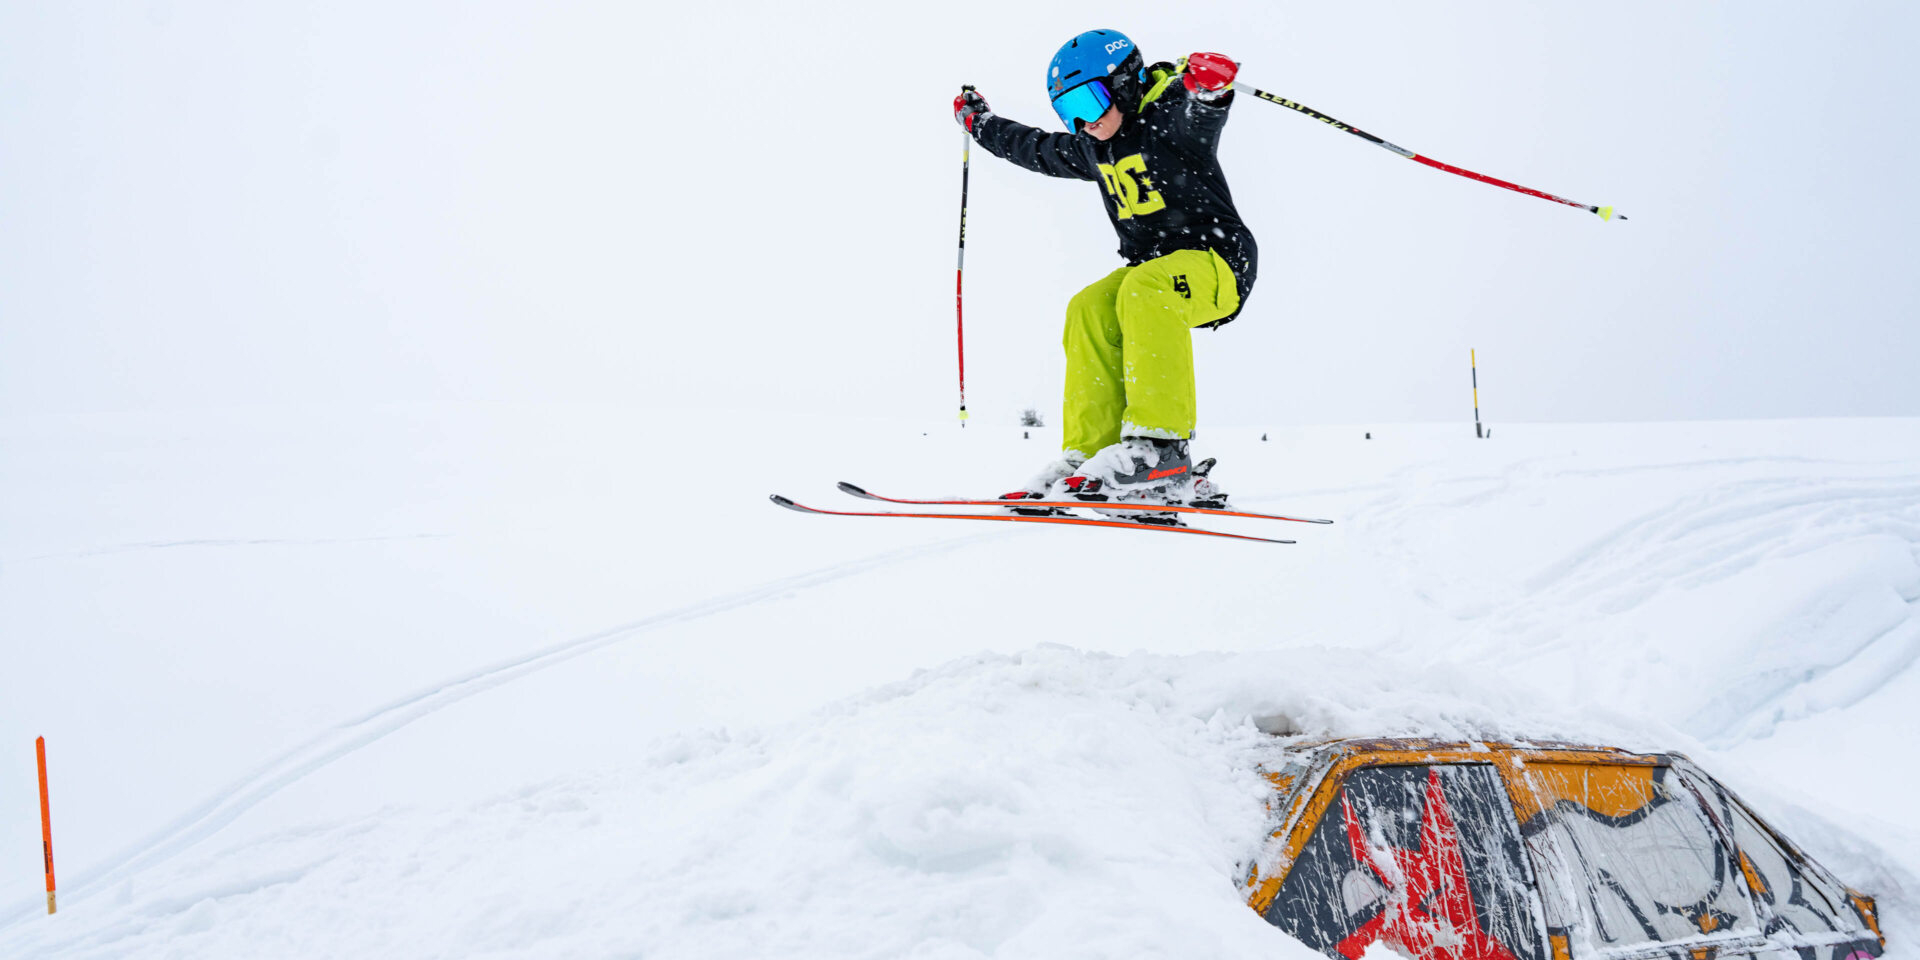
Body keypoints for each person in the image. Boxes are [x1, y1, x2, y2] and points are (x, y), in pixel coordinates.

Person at [954, 29, 1255, 509]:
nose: (1082, 122)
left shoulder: (1168, 120)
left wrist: (1208, 90)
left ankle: (1162, 450)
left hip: (1218, 264)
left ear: (1123, 84)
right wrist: (981, 123)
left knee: (1142, 287)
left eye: (1089, 102)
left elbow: (1200, 114)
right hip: (1154, 273)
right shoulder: (1094, 147)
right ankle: (1090, 455)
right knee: (1089, 308)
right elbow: (1033, 147)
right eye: (1067, 112)